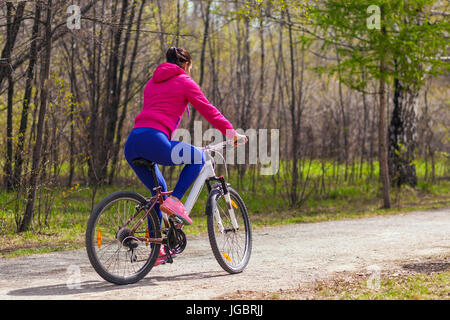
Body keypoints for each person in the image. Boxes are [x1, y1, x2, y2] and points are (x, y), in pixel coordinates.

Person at [124, 47, 246, 264]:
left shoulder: (152, 83)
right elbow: (209, 110)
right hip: (155, 139)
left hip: (133, 142)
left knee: (157, 196)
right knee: (198, 159)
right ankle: (176, 201)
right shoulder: (184, 81)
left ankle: (157, 251)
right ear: (186, 64)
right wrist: (232, 133)